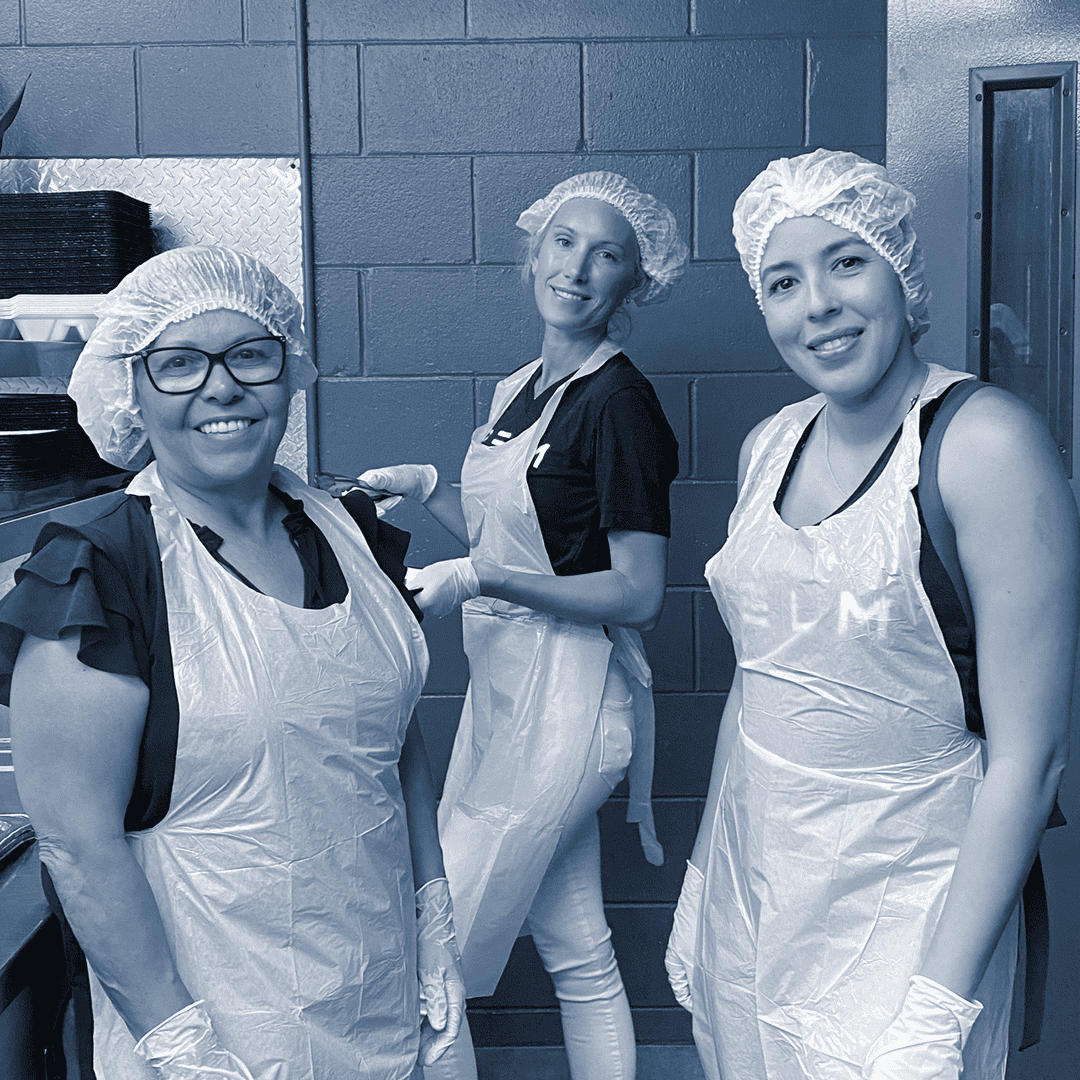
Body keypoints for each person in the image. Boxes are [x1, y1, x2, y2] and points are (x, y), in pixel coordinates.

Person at [0, 246, 465, 1080]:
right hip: (222, 1031)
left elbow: (389, 739)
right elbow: (78, 846)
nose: (221, 388)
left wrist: (433, 909)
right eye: (178, 364)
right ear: (130, 394)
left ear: (290, 370)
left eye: (250, 354)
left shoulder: (346, 533)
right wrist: (184, 1050)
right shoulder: (106, 566)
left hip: (385, 993)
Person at [664, 148, 1079, 1080]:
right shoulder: (770, 446)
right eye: (783, 281)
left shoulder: (983, 447)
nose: (817, 305)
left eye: (846, 261)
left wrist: (935, 1008)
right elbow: (758, 680)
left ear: (900, 268)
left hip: (908, 908)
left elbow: (1030, 756)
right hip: (756, 881)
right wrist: (703, 884)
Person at [335, 172, 688, 1079]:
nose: (577, 267)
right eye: (564, 242)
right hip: (513, 699)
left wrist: (484, 576)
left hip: (569, 707)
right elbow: (529, 537)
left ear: (631, 285)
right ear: (533, 252)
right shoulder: (524, 387)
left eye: (606, 254)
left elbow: (638, 592)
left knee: (435, 948)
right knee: (578, 949)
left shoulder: (620, 405)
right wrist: (432, 493)